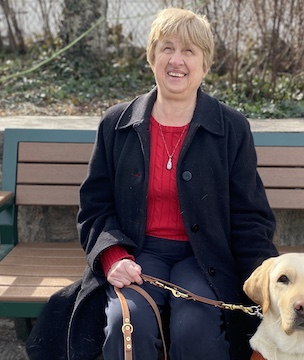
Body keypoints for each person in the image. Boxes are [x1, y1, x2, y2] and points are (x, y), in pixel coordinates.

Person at [27, 7, 278, 360]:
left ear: (205, 64)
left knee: (196, 329)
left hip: (205, 257)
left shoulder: (231, 128)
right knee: (125, 323)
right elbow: (96, 206)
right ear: (152, 56)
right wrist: (113, 257)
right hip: (139, 252)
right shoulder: (117, 124)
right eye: (167, 48)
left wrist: (267, 278)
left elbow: (250, 215)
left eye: (190, 51)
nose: (177, 60)